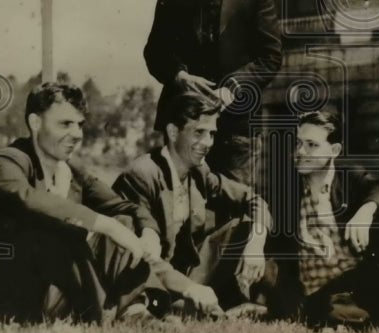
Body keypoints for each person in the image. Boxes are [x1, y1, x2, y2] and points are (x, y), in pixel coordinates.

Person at [0, 83, 164, 325]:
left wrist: (149, 231)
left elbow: (127, 208)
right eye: (65, 124)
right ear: (36, 123)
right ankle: (99, 318)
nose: (77, 134)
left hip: (43, 294)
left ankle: (133, 312)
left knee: (123, 221)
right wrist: (107, 226)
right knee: (60, 228)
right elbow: (28, 200)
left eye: (79, 124)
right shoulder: (3, 163)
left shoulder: (72, 172)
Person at [144, 0, 282, 185]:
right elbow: (154, 51)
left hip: (235, 129)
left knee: (233, 213)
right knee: (179, 212)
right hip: (182, 126)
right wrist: (180, 77)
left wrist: (231, 88)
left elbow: (270, 57)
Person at [262, 109, 379, 331]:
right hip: (317, 291)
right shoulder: (287, 190)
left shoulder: (348, 176)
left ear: (334, 150)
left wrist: (365, 211)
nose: (300, 151)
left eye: (312, 145)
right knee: (334, 310)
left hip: (358, 280)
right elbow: (263, 216)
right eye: (298, 143)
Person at [113, 92, 271, 315]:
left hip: (187, 272)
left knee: (247, 226)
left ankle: (237, 300)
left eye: (211, 134)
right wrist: (188, 288)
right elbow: (141, 256)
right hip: (148, 277)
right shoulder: (142, 175)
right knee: (164, 302)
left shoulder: (199, 172)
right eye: (199, 132)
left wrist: (256, 243)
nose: (207, 143)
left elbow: (253, 199)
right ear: (173, 131)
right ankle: (192, 306)